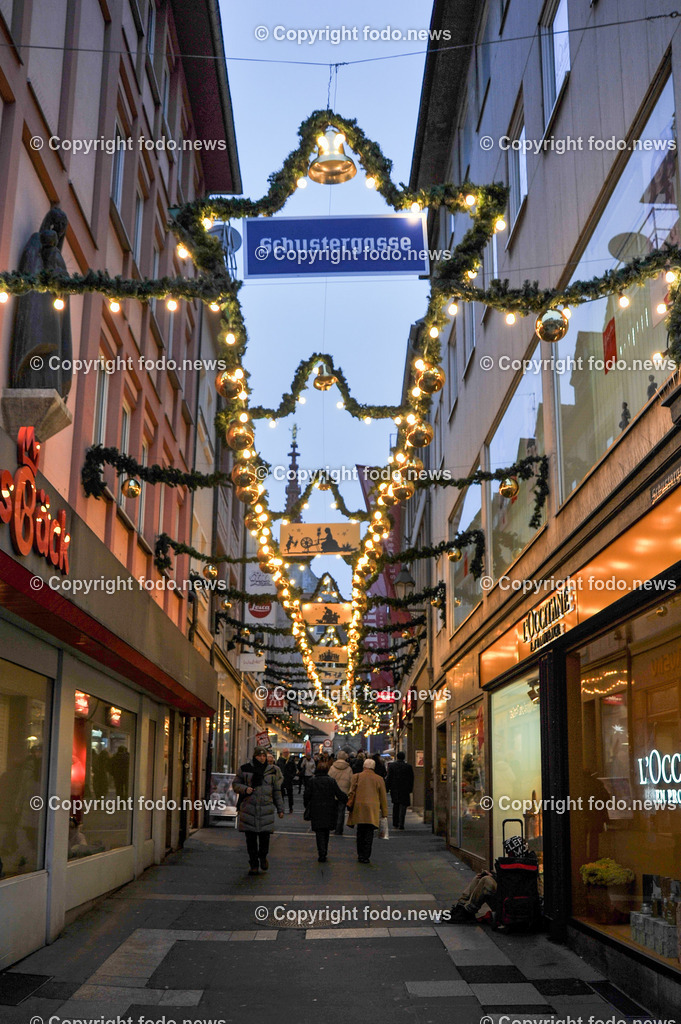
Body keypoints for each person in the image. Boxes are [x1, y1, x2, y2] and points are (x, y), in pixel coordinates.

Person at [233, 746, 284, 875]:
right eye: (259, 756)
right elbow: (235, 784)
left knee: (264, 839)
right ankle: (253, 864)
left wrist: (280, 808)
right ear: (254, 756)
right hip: (248, 808)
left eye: (263, 756)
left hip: (265, 809)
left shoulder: (272, 771)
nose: (261, 758)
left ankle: (262, 857)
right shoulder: (245, 769)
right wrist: (245, 789)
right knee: (250, 840)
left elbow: (277, 791)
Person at [346, 758, 388, 864]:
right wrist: (384, 813)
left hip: (358, 808)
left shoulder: (356, 777)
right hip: (372, 809)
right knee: (369, 833)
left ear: (364, 766)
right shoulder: (379, 779)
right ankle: (366, 856)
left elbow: (351, 792)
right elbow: (383, 797)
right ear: (373, 767)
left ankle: (360, 854)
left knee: (360, 832)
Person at [304, 761, 347, 862]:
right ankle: (324, 851)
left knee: (319, 832)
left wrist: (307, 805)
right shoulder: (331, 781)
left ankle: (321, 852)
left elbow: (307, 795)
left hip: (316, 809)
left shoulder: (312, 781)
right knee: (326, 831)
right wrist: (347, 800)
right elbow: (339, 794)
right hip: (329, 809)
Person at [386, 751, 414, 830]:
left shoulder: (392, 766)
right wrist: (410, 789)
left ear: (397, 757)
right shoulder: (408, 767)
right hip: (404, 789)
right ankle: (401, 823)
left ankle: (395, 823)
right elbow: (411, 779)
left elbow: (389, 778)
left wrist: (387, 788)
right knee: (403, 807)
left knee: (396, 806)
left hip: (395, 789)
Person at [328, 750, 353, 834]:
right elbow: (351, 781)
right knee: (341, 811)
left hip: (333, 793)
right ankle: (339, 829)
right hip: (344, 793)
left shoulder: (332, 767)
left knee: (333, 810)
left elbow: (329, 779)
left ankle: (333, 826)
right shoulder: (349, 768)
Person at [276, 748, 298, 813]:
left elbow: (294, 769)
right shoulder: (280, 760)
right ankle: (281, 808)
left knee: (290, 794)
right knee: (281, 794)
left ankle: (291, 807)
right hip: (282, 779)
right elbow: (277, 769)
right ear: (282, 753)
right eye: (285, 752)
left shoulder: (291, 760)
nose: (286, 753)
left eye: (287, 752)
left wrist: (292, 776)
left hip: (289, 779)